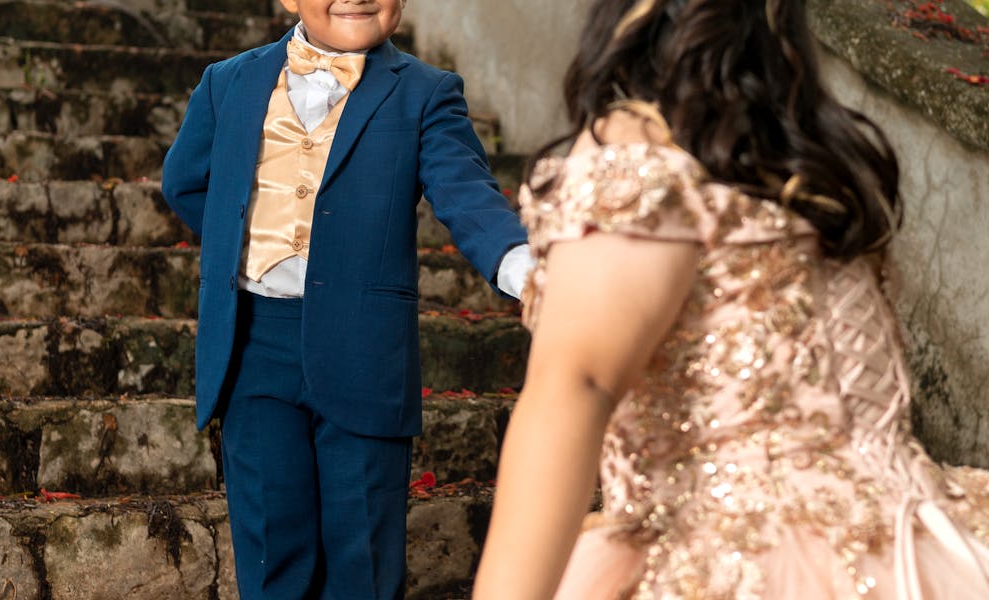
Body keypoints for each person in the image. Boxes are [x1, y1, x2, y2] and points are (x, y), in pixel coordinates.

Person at [473, 0, 989, 598]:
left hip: (751, 557)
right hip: (902, 551)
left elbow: (576, 385)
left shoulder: (643, 154)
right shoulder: (800, 166)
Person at [161, 0, 531, 597]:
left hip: (364, 349)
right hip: (253, 346)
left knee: (363, 555)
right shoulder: (227, 82)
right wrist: (242, 240)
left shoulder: (427, 92)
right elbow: (184, 181)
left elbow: (466, 192)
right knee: (271, 545)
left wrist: (523, 268)